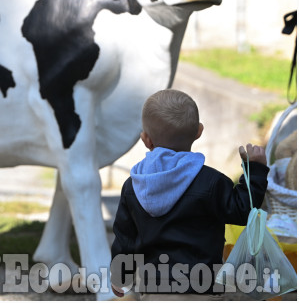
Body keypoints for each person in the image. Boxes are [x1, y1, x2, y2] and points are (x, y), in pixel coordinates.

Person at [109, 89, 269, 300]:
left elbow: (125, 239)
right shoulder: (212, 182)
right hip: (202, 287)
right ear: (199, 132)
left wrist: (120, 276)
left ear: (146, 139)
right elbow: (243, 210)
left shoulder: (133, 187)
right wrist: (254, 171)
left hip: (154, 289)